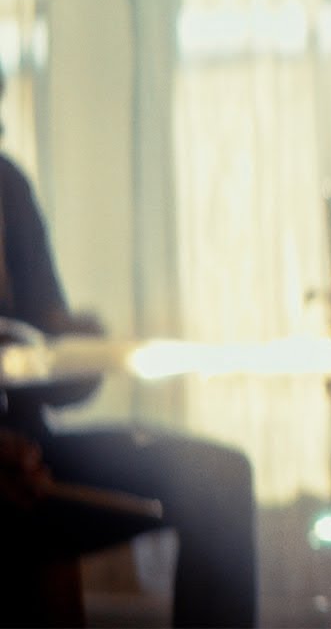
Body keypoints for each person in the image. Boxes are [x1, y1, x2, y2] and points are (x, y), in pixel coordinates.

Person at [0, 62, 257, 627]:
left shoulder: (8, 187)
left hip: (35, 461)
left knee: (220, 479)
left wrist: (82, 350)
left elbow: (48, 365)